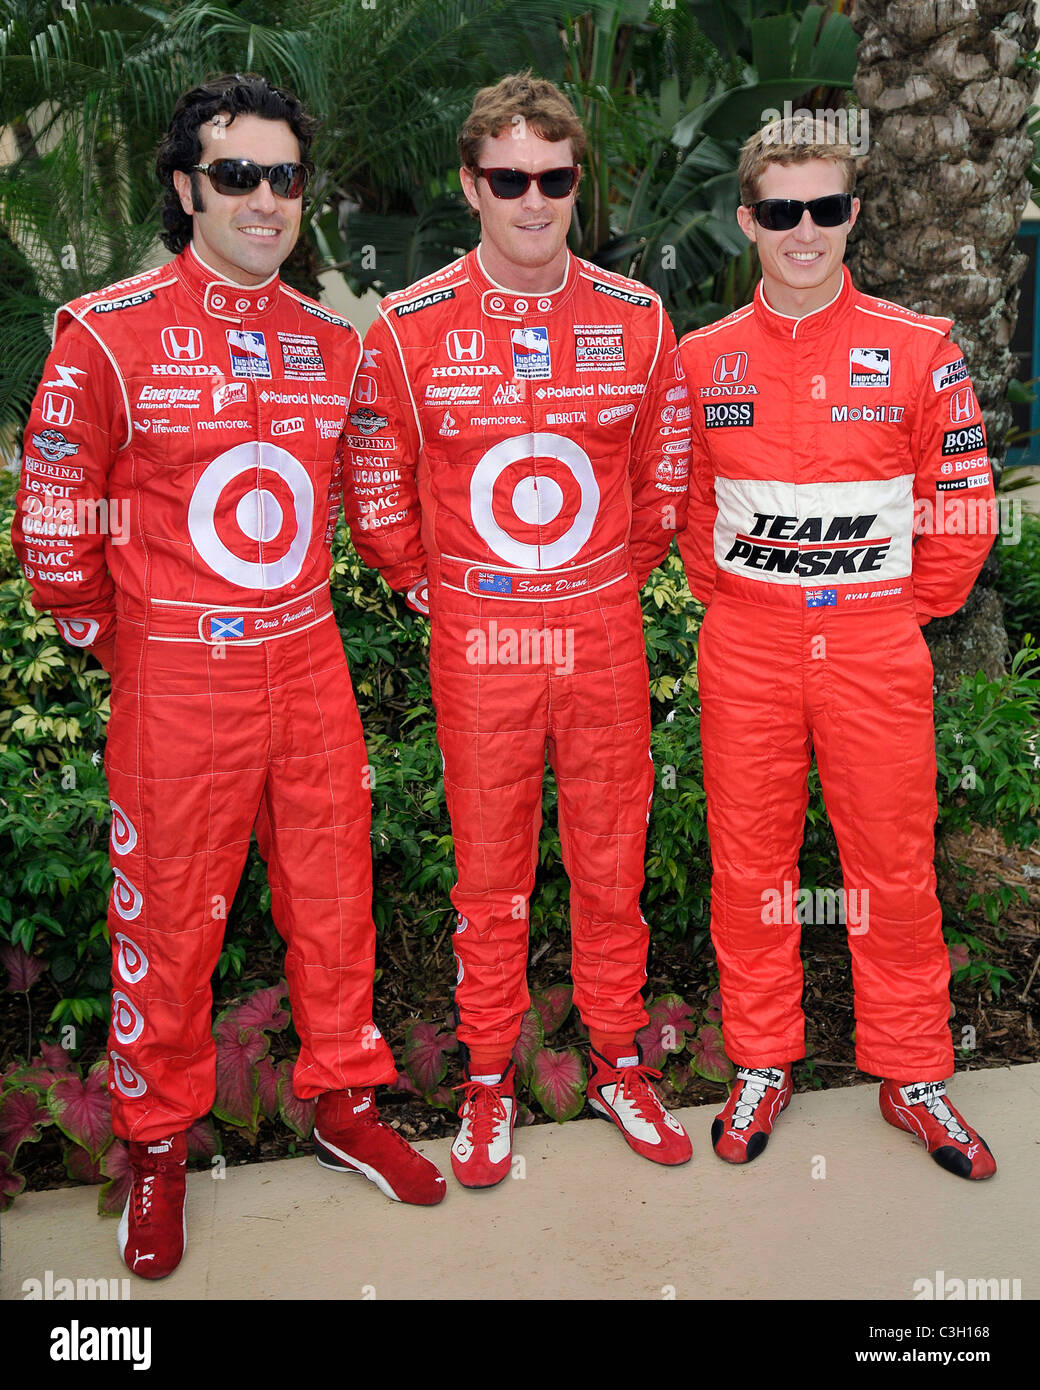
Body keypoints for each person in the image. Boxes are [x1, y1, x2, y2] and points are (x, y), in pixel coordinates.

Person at [12, 73, 446, 1280]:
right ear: (184, 187)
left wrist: (442, 570)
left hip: (306, 657)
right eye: (237, 174)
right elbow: (57, 519)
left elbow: (371, 500)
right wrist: (121, 636)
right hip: (175, 671)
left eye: (284, 176)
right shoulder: (105, 330)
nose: (265, 199)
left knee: (333, 893)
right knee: (168, 914)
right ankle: (154, 1143)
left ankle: (346, 1100)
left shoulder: (330, 341)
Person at [342, 72, 693, 1188]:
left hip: (597, 629)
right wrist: (422, 586)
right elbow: (375, 483)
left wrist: (600, 582)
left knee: (608, 860)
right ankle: (487, 1076)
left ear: (575, 184)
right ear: (469, 184)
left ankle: (617, 1062)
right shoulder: (405, 327)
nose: (531, 200)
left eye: (552, 178)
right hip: (480, 639)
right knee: (488, 873)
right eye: (508, 179)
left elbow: (663, 480)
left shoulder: (636, 318)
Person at [677, 116, 997, 1179]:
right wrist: (747, 608)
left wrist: (896, 611)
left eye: (822, 208)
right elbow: (683, 511)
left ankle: (911, 1074)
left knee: (892, 869)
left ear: (851, 212)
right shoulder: (697, 360)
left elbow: (959, 505)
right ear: (745, 222)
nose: (801, 231)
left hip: (873, 645)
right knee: (749, 869)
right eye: (778, 211)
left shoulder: (921, 348)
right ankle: (760, 1061)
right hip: (748, 646)